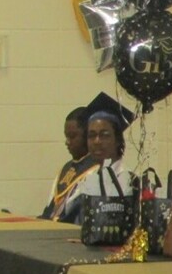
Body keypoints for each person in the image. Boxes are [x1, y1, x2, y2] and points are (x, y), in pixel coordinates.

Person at [52, 92, 133, 223]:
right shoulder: (88, 180)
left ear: (118, 139)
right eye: (91, 135)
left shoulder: (128, 182)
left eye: (104, 135)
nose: (96, 141)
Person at [40, 104, 94, 221]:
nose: (67, 142)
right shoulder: (66, 168)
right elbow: (50, 211)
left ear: (89, 135)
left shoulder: (97, 171)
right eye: (66, 136)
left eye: (72, 136)